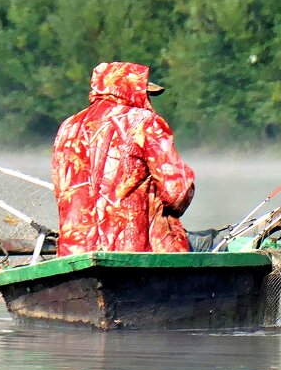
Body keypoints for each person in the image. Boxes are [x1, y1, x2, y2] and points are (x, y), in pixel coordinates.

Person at [52, 62, 195, 256]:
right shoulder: (143, 122)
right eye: (145, 94)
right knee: (206, 242)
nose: (147, 100)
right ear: (130, 91)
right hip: (134, 250)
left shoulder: (68, 128)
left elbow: (62, 190)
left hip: (74, 253)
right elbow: (177, 193)